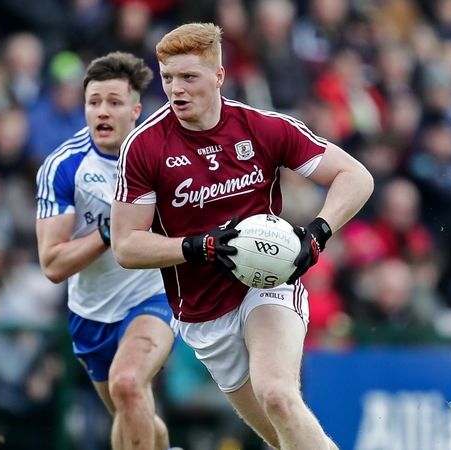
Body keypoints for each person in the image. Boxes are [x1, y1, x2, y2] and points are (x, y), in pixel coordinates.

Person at [110, 23, 373, 450]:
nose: (177, 89)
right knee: (282, 438)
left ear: (218, 76)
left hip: (266, 282)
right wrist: (198, 247)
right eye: (168, 78)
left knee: (278, 395)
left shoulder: (262, 127)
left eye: (189, 77)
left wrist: (318, 233)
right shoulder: (144, 147)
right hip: (202, 314)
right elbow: (126, 246)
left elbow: (356, 176)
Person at [35, 52, 179, 450]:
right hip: (91, 313)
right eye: (93, 101)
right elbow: (52, 263)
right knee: (134, 413)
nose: (102, 111)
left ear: (135, 110)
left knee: (128, 383)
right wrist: (108, 232)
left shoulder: (165, 157)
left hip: (153, 296)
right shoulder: (64, 167)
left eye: (114, 102)